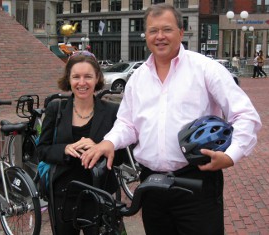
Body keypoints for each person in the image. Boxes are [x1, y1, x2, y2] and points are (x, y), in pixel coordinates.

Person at [80, 3, 262, 235]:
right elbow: (127, 123)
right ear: (145, 35)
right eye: (153, 31)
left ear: (181, 33)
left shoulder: (205, 69)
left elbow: (245, 114)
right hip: (152, 185)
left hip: (197, 181)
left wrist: (231, 155)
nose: (160, 36)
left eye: (166, 29)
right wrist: (109, 142)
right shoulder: (138, 79)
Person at [37, 51, 121, 235]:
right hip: (63, 195)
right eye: (76, 76)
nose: (82, 83)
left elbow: (122, 155)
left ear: (97, 77)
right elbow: (42, 150)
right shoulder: (56, 108)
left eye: (88, 76)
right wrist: (64, 149)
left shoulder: (112, 111)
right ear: (69, 78)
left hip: (99, 193)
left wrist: (101, 147)